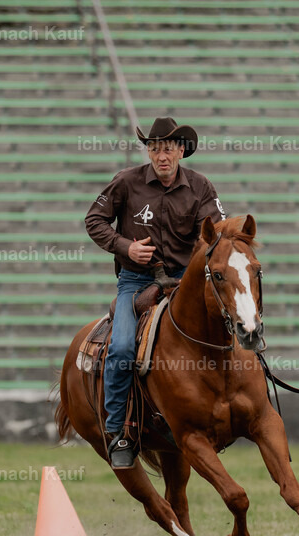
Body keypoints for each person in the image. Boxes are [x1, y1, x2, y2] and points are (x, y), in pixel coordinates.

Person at [85, 116, 225, 469]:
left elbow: (215, 233)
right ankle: (119, 430)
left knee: (227, 331)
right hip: (136, 281)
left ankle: (233, 411)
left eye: (168, 148)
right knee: (121, 348)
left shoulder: (201, 187)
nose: (162, 156)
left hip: (184, 280)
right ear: (148, 151)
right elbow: (94, 220)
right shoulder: (126, 182)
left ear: (181, 151)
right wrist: (125, 247)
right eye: (155, 148)